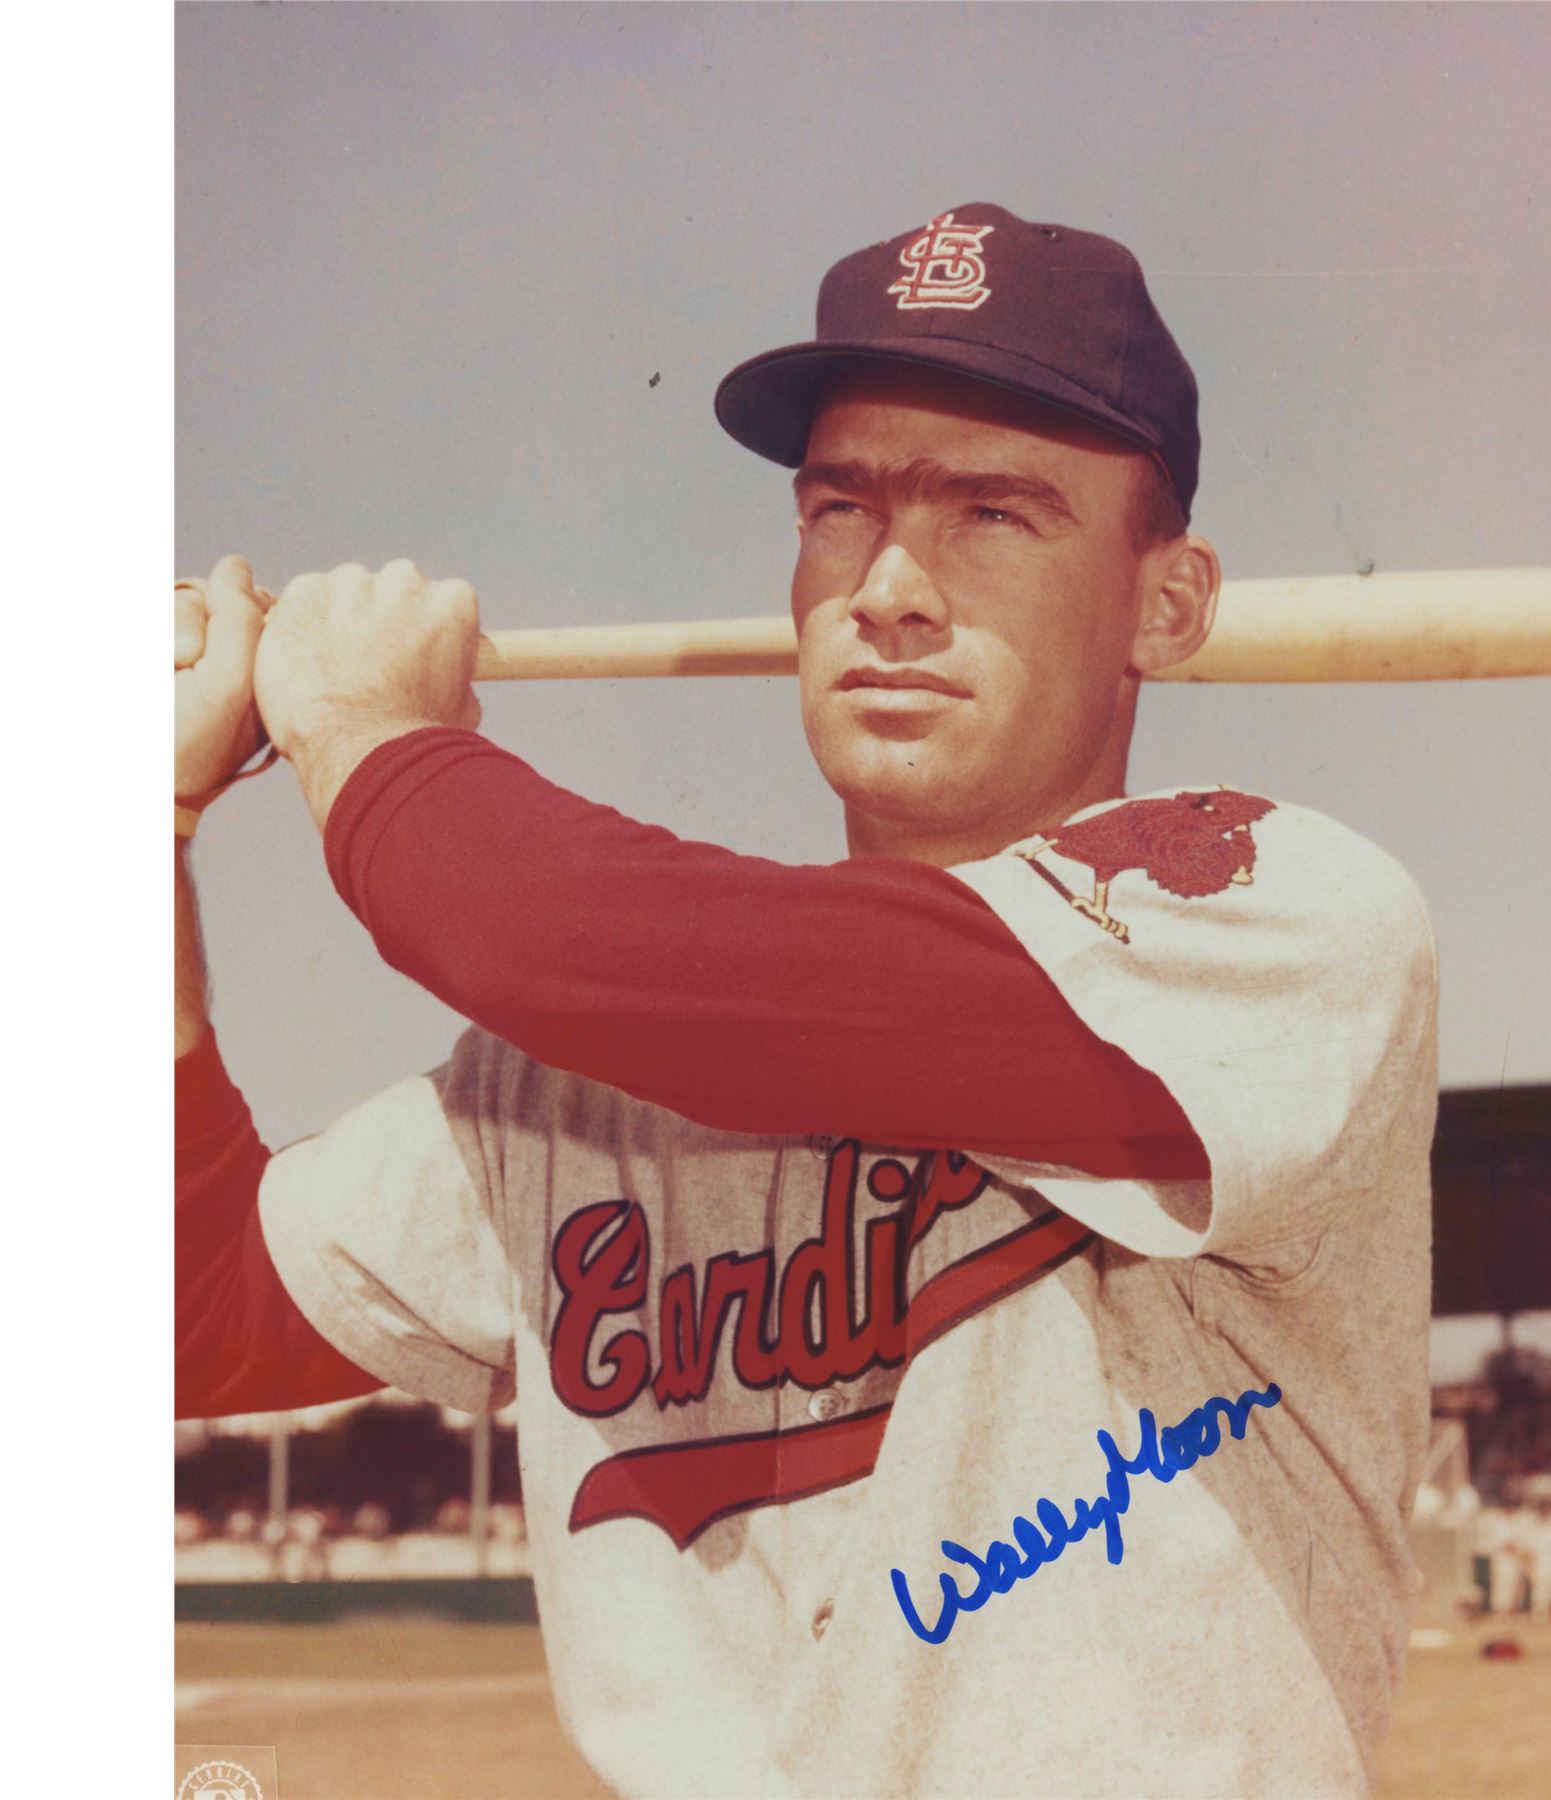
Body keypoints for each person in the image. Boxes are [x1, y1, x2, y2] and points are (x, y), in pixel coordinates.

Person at [176, 203, 1440, 1798]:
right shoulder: (574, 1079)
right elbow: (184, 1311)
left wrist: (370, 729)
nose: (891, 587)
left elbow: (551, 934)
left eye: (994, 514)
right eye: (844, 507)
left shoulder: (1265, 921)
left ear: (1167, 604)